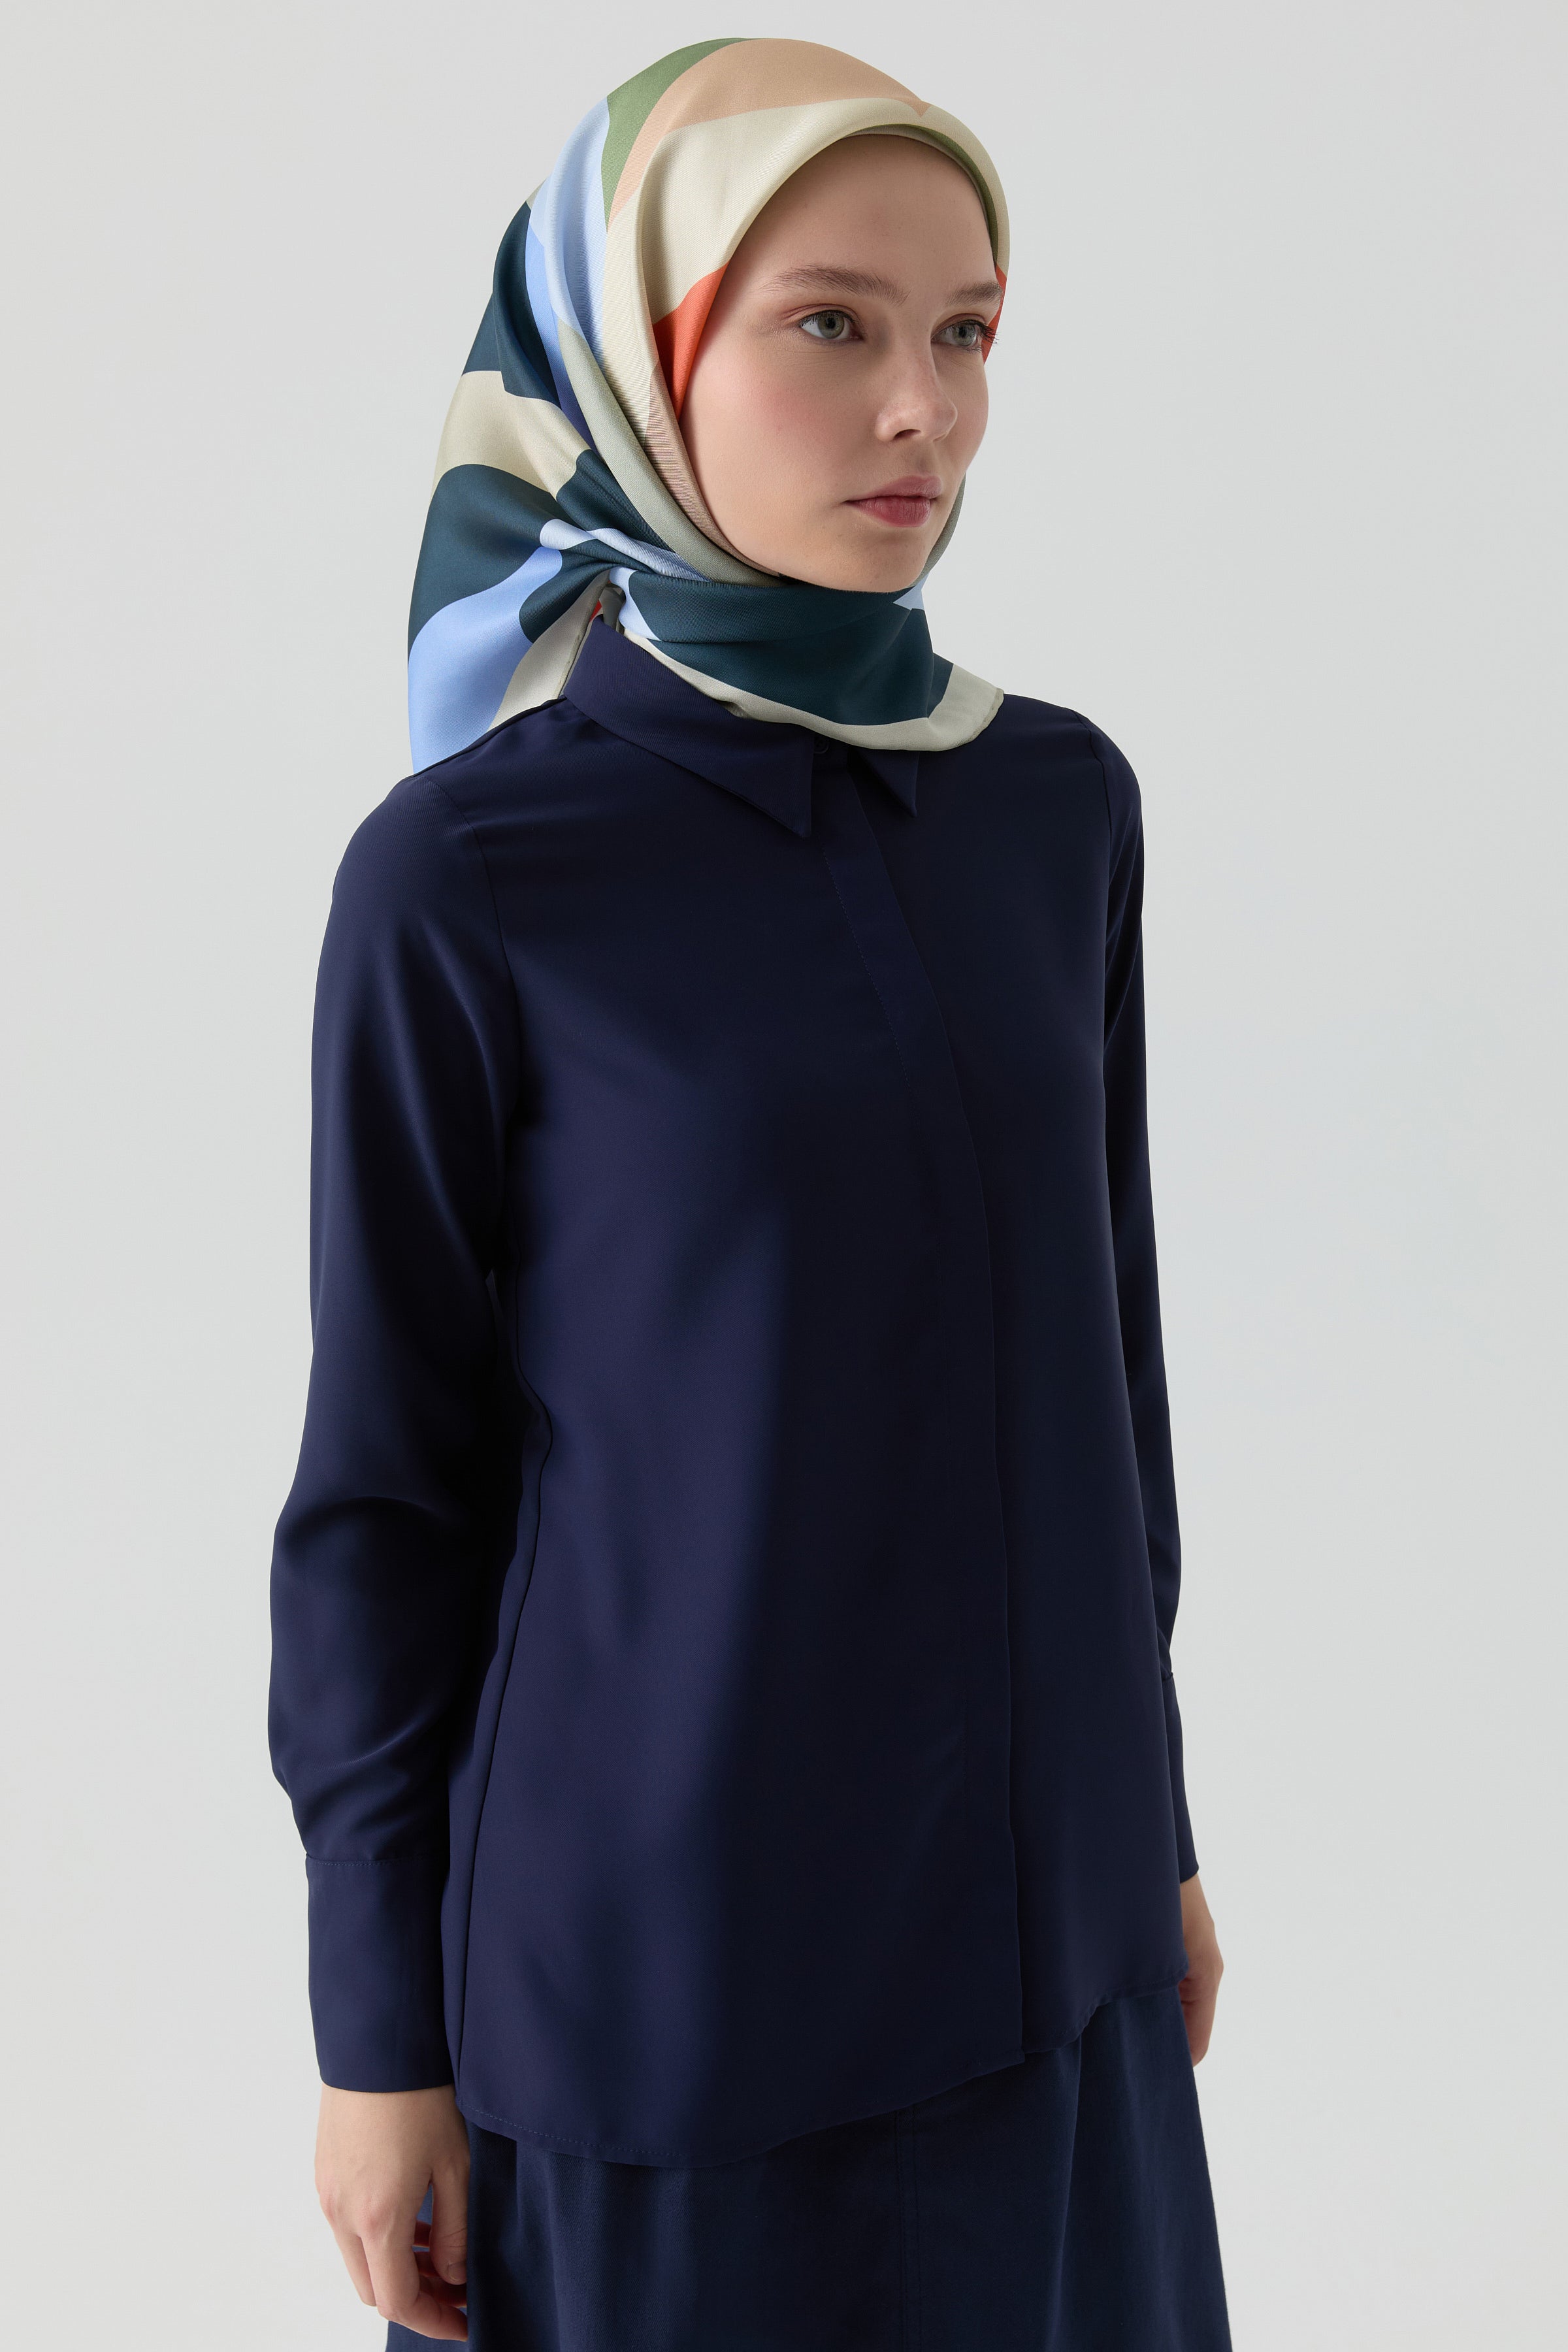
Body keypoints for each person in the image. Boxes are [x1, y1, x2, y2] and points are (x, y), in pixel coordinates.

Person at [269, 35, 1230, 2350]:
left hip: (1055, 1960)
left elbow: (1106, 1377)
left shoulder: (1055, 808)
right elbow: (386, 1499)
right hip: (666, 2009)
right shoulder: (471, 874)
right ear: (638, 350)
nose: (925, 412)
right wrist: (374, 2040)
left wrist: (1156, 1832)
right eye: (831, 324)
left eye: (967, 331)